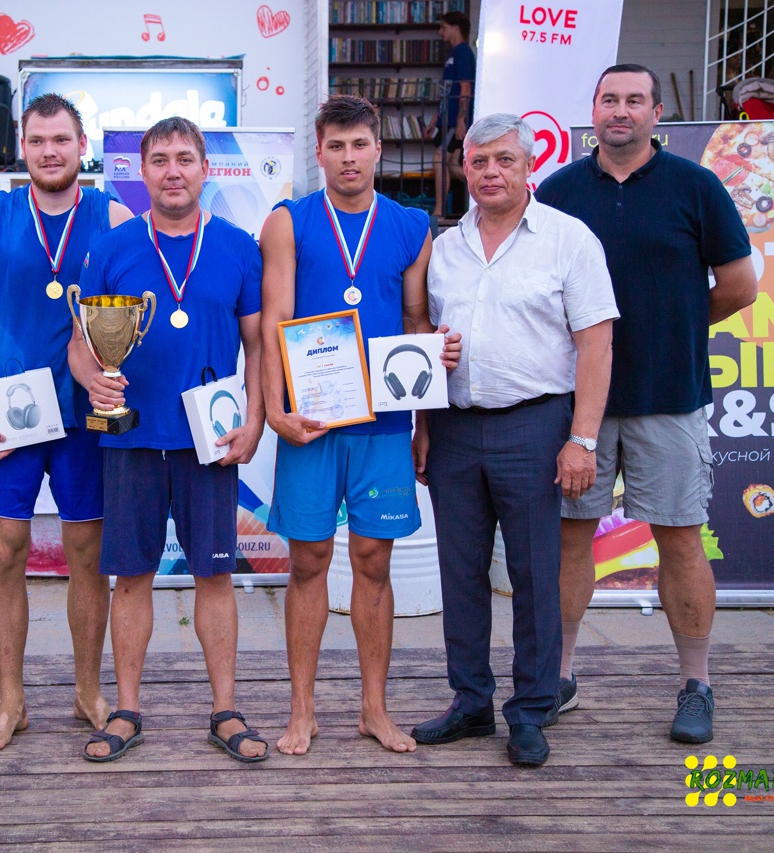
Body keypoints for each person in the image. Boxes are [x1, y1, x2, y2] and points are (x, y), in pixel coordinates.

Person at [535, 64, 757, 744]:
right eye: (609, 99)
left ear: (657, 113)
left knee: (680, 539)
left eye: (634, 100)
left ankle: (697, 684)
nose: (620, 111)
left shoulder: (697, 186)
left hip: (669, 398)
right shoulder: (559, 190)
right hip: (579, 406)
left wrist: (678, 323)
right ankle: (559, 677)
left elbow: (739, 286)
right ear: (593, 109)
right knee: (571, 538)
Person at [413, 114, 619, 767]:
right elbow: (423, 337)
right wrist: (425, 412)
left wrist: (582, 439)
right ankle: (471, 700)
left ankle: (531, 708)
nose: (491, 172)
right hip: (454, 425)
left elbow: (596, 343)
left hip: (534, 424)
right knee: (460, 571)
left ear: (529, 165)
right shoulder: (445, 247)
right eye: (479, 161)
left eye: (504, 159)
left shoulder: (567, 239)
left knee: (533, 573)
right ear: (464, 168)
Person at [260, 94, 459, 756]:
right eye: (336, 146)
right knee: (308, 560)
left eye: (359, 145)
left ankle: (374, 708)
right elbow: (274, 322)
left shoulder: (410, 225)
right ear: (319, 153)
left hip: (384, 423)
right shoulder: (288, 221)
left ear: (379, 148)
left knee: (374, 560)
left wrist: (425, 421)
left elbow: (415, 322)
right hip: (313, 420)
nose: (349, 157)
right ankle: (302, 710)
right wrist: (275, 411)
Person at [74, 116, 267, 763]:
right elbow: (81, 343)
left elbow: (259, 346)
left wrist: (256, 418)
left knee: (215, 576)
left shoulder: (238, 247)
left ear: (206, 169)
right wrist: (94, 380)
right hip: (131, 438)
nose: (173, 171)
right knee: (131, 578)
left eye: (185, 158)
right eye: (160, 159)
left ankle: (225, 710)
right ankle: (127, 709)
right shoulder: (112, 248)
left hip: (209, 440)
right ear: (142, 171)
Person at [0, 94, 132, 752]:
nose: (49, 151)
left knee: (88, 553)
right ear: (21, 147)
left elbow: (122, 323)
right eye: (37, 140)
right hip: (11, 407)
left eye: (61, 139)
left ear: (82, 145)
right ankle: (12, 701)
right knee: (3, 551)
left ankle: (87, 690)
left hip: (86, 409)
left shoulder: (114, 217)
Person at [424, 10, 475, 218]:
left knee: (439, 158)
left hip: (455, 120)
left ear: (456, 28)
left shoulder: (463, 52)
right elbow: (446, 93)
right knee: (453, 165)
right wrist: (433, 121)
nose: (440, 32)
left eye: (443, 27)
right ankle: (487, 188)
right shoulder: (454, 54)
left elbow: (465, 87)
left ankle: (439, 212)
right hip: (447, 119)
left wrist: (461, 120)